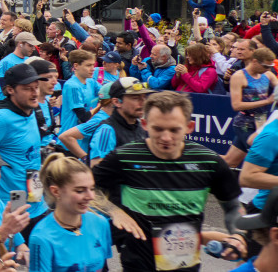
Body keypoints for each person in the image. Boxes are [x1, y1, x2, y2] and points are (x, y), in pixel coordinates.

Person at [94, 91, 244, 272]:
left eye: (174, 130)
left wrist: (236, 235)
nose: (166, 137)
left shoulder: (209, 162)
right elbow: (89, 188)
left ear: (189, 127)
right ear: (144, 124)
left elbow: (233, 206)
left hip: (185, 267)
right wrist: (114, 211)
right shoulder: (124, 157)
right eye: (158, 129)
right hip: (138, 265)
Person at [0, 62, 48, 218]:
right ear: (10, 90)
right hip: (13, 202)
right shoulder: (0, 119)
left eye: (36, 87)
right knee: (19, 239)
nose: (34, 93)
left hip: (37, 197)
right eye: (27, 88)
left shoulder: (31, 111)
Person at [26, 153, 113, 272]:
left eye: (92, 188)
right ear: (56, 191)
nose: (91, 196)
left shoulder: (100, 223)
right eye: (80, 191)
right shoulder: (41, 237)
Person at [226, 48, 277, 167]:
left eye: (270, 66)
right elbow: (236, 105)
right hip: (245, 124)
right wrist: (267, 101)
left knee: (230, 161)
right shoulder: (239, 76)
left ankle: (202, 162)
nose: (268, 69)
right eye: (265, 66)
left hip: (260, 122)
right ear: (254, 61)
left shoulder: (267, 74)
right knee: (261, 161)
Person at [86, 76, 153, 166]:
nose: (142, 102)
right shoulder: (106, 130)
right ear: (117, 102)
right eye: (135, 98)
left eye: (144, 97)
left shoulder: (140, 126)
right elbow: (97, 169)